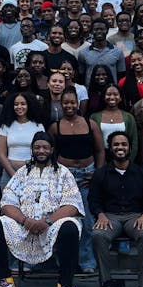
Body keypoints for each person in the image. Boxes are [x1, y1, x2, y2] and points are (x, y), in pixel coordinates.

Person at [0, 131, 84, 287]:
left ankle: (65, 286)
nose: (41, 151)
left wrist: (47, 221)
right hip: (23, 225)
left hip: (52, 225)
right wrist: (24, 220)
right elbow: (7, 202)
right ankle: (5, 281)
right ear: (32, 150)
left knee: (70, 227)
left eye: (45, 147)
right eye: (37, 147)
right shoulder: (23, 172)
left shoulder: (63, 173)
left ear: (52, 150)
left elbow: (73, 204)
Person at [89, 131, 143, 287]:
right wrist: (100, 215)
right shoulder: (101, 174)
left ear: (130, 148)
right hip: (110, 217)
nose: (120, 148)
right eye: (116, 145)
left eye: (124, 144)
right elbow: (93, 200)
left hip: (135, 217)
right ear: (110, 148)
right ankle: (106, 282)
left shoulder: (142, 174)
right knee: (98, 235)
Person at [49, 88, 104, 275]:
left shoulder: (91, 124)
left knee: (88, 221)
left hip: (86, 176)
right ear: (60, 104)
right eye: (66, 103)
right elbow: (51, 153)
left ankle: (87, 261)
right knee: (62, 221)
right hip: (64, 177)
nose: (69, 106)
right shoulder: (55, 126)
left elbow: (99, 151)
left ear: (78, 103)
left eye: (73, 102)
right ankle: (62, 260)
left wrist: (98, 174)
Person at [0, 91, 46, 182]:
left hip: (32, 172)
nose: (19, 107)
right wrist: (13, 174)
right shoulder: (6, 126)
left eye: (23, 104)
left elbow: (41, 151)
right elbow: (1, 153)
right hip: (9, 172)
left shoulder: (38, 126)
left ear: (29, 105)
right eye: (16, 104)